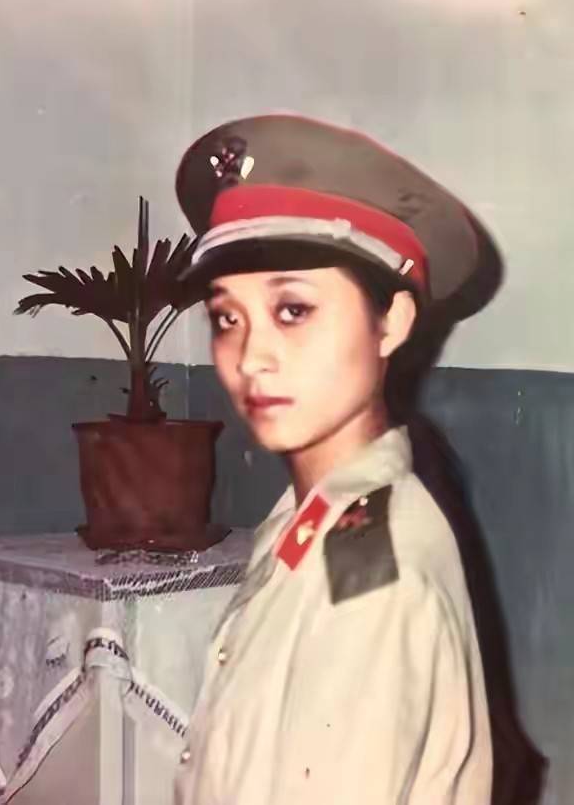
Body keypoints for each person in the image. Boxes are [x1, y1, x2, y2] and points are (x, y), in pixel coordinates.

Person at [170, 114, 518, 805]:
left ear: (392, 322)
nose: (250, 357)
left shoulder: (368, 583)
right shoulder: (304, 521)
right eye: (227, 318)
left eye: (293, 310)